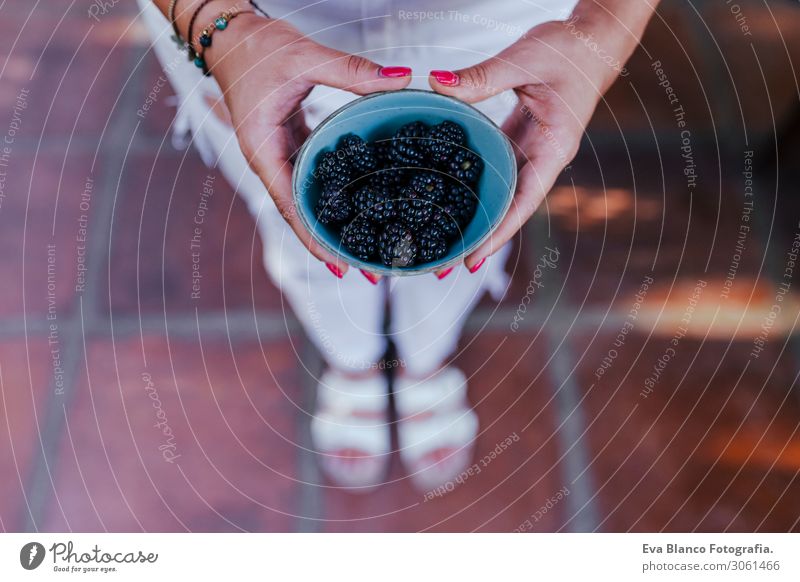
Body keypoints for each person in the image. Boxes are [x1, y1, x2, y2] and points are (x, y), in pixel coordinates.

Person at [139, 0, 657, 492]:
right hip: (264, 22)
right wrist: (216, 21)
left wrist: (604, 27)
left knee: (474, 227)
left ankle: (423, 358)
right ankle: (352, 359)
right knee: (296, 215)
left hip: (492, 23)